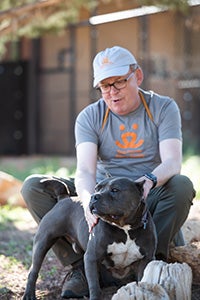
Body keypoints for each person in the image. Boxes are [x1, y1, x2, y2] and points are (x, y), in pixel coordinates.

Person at [21, 46, 195, 299]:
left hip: (147, 190)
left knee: (181, 184)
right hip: (105, 192)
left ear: (137, 76)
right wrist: (86, 201)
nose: (112, 92)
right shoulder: (90, 116)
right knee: (34, 186)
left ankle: (150, 259)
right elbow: (84, 170)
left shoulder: (162, 107)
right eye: (104, 86)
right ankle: (81, 265)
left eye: (118, 82)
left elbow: (172, 162)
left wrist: (149, 180)